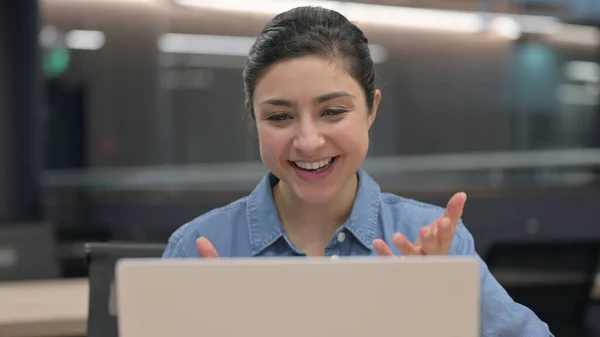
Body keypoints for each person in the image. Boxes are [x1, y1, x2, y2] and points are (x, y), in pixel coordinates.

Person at [162, 5, 553, 336]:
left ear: (372, 110)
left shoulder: (434, 243)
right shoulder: (196, 248)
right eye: (279, 116)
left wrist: (436, 320)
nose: (308, 141)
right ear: (254, 119)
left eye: (332, 111)